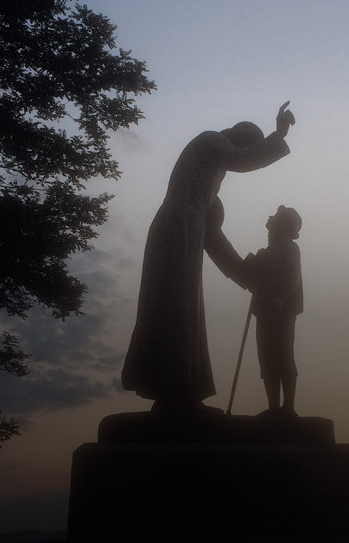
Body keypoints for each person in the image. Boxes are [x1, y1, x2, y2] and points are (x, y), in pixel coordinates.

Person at [121, 103, 296, 413]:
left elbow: (214, 240)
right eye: (245, 147)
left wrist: (249, 279)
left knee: (184, 306)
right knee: (174, 305)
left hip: (186, 231)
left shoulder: (208, 188)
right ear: (237, 139)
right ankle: (174, 393)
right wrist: (279, 134)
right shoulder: (211, 141)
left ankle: (183, 391)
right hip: (175, 229)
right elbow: (244, 160)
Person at [243, 205, 303, 417]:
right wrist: (255, 262)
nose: (269, 233)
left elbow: (292, 278)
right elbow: (250, 276)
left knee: (283, 355)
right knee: (266, 357)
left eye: (273, 229)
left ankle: (288, 407)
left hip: (281, 312)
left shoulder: (289, 248)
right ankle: (273, 407)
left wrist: (280, 298)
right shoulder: (267, 252)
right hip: (265, 311)